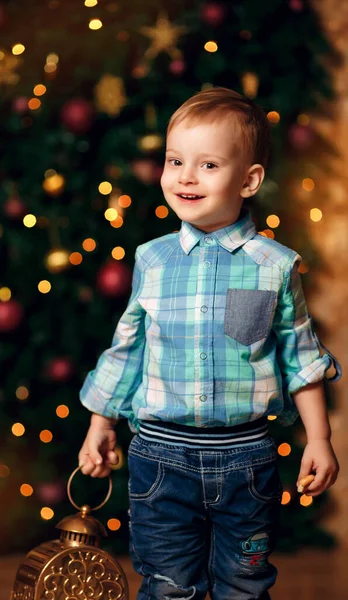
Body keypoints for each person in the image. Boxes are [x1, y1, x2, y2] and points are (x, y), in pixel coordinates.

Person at [78, 87, 342, 599]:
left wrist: (320, 439)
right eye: (175, 160)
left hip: (246, 460)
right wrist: (100, 422)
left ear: (249, 180)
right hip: (160, 458)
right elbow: (128, 347)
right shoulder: (152, 260)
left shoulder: (274, 265)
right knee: (169, 585)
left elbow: (300, 358)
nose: (185, 176)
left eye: (208, 164)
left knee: (245, 584)